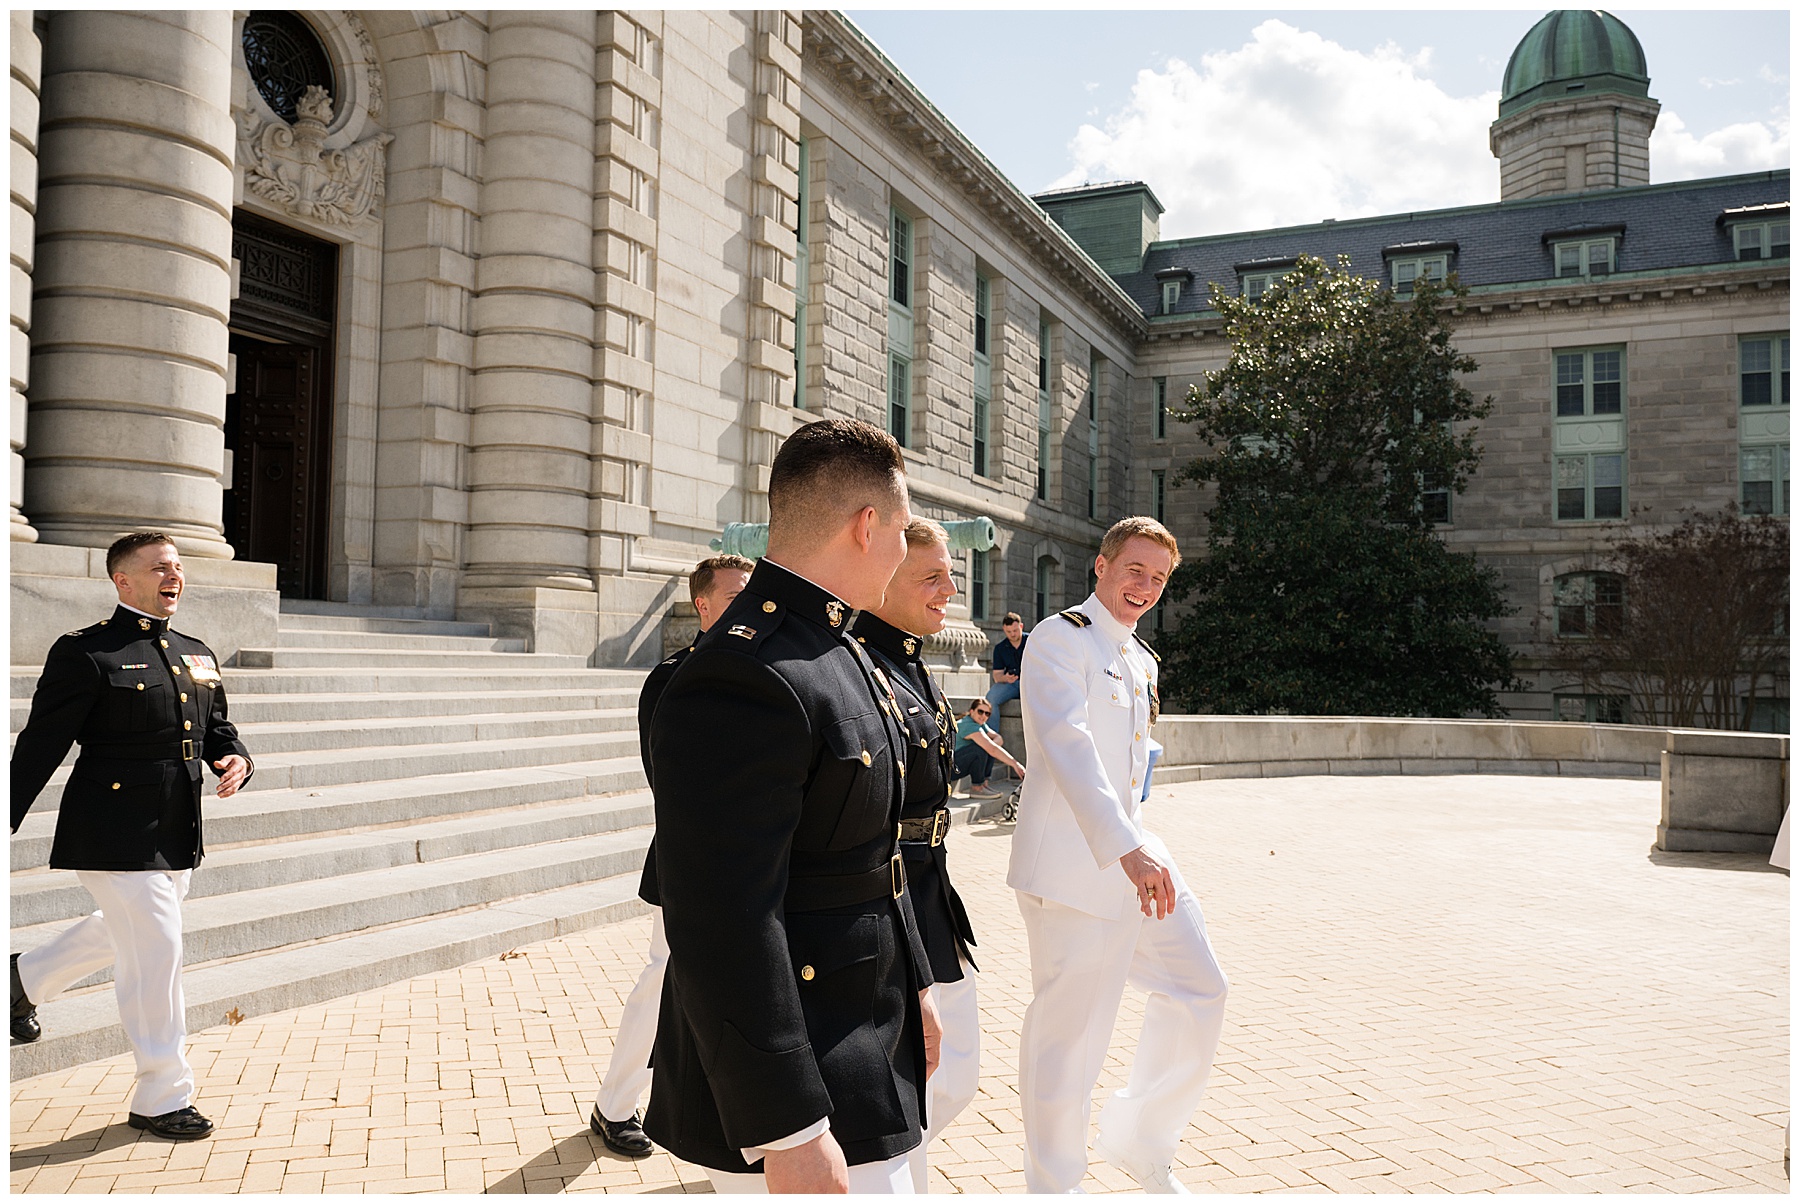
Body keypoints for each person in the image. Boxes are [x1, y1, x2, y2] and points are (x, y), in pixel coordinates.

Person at [644, 417, 941, 1194]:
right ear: (866, 524)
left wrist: (916, 991)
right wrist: (789, 1127)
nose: (904, 550)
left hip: (861, 1033)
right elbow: (721, 914)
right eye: (903, 531)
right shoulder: (747, 671)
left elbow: (875, 857)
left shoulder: (841, 648)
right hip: (786, 1077)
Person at [1008, 516, 1228, 1193]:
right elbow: (1070, 750)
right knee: (1067, 1042)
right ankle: (1054, 1188)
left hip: (1132, 849)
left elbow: (1127, 763)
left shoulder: (1139, 658)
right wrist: (1129, 849)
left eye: (1159, 579)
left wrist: (1137, 844)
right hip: (1075, 868)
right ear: (1100, 565)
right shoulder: (1056, 639)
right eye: (1135, 569)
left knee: (1201, 989)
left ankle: (1139, 1140)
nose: (1146, 586)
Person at [10, 532, 254, 1142]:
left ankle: (20, 981)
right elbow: (41, 743)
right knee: (156, 953)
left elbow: (216, 726)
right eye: (160, 567)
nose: (175, 576)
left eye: (178, 567)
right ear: (123, 580)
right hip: (112, 828)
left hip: (177, 828)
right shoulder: (86, 652)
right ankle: (161, 1092)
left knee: (132, 933)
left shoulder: (196, 652)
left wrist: (235, 759)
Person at [589, 553, 754, 1157]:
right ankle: (615, 1106)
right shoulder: (673, 678)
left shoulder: (770, 671)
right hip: (694, 863)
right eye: (736, 594)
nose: (751, 603)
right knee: (664, 982)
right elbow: (670, 781)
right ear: (703, 605)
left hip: (765, 866)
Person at [853, 518, 983, 1191]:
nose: (951, 589)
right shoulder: (859, 664)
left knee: (951, 1072)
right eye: (931, 576)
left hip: (931, 889)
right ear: (883, 582)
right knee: (930, 1072)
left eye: (950, 574)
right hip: (890, 892)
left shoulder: (909, 657)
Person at [951, 699, 1024, 800]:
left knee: (987, 747)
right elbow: (992, 749)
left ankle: (983, 784)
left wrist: (989, 748)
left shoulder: (978, 723)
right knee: (981, 749)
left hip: (956, 765)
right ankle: (977, 787)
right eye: (980, 711)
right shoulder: (968, 725)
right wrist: (1015, 764)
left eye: (987, 713)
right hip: (948, 770)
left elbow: (999, 738)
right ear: (972, 711)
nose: (983, 716)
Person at [984, 612, 1027, 712]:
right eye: (1009, 631)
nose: (1012, 634)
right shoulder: (1000, 648)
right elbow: (997, 676)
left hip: (1031, 683)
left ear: (1021, 626)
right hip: (1011, 684)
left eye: (1015, 630)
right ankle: (992, 728)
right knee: (991, 699)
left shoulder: (1032, 641)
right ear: (1004, 629)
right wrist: (1005, 678)